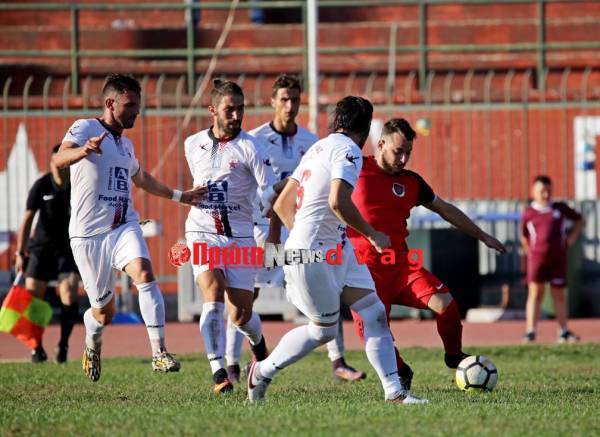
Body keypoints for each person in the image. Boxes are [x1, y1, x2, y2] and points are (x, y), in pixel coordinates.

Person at [247, 96, 427, 404]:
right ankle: (261, 371)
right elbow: (337, 201)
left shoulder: (318, 147)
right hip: (314, 254)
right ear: (365, 127)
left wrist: (305, 234)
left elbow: (282, 203)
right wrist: (371, 235)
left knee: (373, 312)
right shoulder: (349, 150)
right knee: (323, 331)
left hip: (337, 248)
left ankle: (395, 392)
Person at [53, 74, 206, 381]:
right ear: (110, 103)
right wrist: (83, 151)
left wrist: (180, 196)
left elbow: (141, 177)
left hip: (123, 226)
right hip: (88, 235)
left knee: (145, 274)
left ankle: (159, 353)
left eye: (138, 105)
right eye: (131, 105)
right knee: (103, 313)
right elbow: (59, 158)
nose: (137, 111)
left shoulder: (126, 144)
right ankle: (93, 339)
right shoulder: (85, 128)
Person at [224, 74, 366, 383]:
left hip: (300, 228)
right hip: (263, 229)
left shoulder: (313, 142)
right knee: (245, 293)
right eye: (284, 99)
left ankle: (338, 361)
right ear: (272, 102)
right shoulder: (254, 140)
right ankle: (232, 364)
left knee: (331, 283)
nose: (290, 106)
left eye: (295, 100)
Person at [347, 118, 506, 386]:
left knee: (446, 305)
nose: (403, 159)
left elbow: (446, 210)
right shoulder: (354, 169)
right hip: (363, 271)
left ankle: (454, 357)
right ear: (381, 144)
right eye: (398, 151)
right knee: (373, 331)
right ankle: (401, 371)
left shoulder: (412, 182)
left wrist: (483, 235)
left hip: (401, 267)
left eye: (408, 152)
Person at [184, 79, 284, 394]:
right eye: (230, 109)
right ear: (213, 110)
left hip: (240, 236)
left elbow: (274, 196)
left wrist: (274, 238)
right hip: (202, 231)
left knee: (241, 313)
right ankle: (219, 371)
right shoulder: (192, 144)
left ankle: (259, 346)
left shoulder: (252, 148)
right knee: (212, 291)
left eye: (241, 109)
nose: (237, 115)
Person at [15, 144, 80, 363]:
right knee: (33, 295)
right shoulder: (41, 185)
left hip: (67, 250)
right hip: (41, 250)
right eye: (55, 162)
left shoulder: (79, 186)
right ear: (51, 164)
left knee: (69, 292)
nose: (59, 167)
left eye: (63, 163)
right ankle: (36, 347)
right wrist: (20, 252)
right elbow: (27, 220)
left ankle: (63, 345)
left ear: (69, 163)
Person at [520, 175, 584, 343]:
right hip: (537, 260)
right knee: (535, 294)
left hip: (558, 259)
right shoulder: (529, 213)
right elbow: (524, 237)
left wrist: (571, 239)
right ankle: (530, 331)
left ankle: (563, 331)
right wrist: (531, 252)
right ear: (534, 192)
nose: (546, 194)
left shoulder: (560, 208)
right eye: (542, 191)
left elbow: (579, 220)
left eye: (549, 191)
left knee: (559, 294)